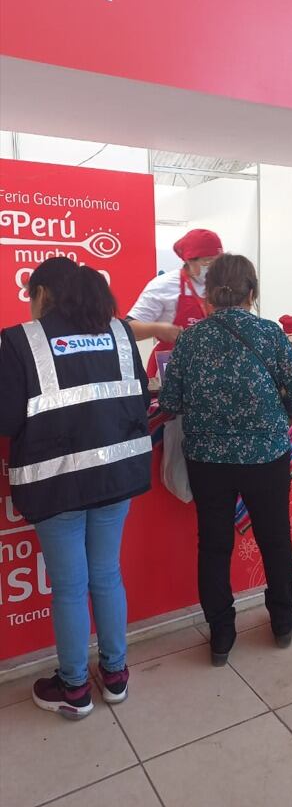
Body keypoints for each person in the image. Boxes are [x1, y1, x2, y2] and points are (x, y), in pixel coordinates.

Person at [0, 259, 152, 719]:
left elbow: (6, 420)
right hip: (116, 476)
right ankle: (115, 674)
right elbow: (139, 397)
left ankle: (73, 689)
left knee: (69, 586)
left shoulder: (18, 341)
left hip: (55, 485)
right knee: (106, 574)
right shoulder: (121, 334)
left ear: (44, 293)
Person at [159, 254, 292, 665]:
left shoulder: (190, 340)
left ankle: (221, 637)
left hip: (208, 460)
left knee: (213, 546)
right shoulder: (268, 334)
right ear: (252, 292)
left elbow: (171, 401)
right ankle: (282, 622)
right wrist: (278, 416)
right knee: (275, 539)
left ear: (208, 293)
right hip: (266, 456)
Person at [127, 228, 223, 377]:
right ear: (189, 260)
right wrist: (157, 329)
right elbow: (128, 330)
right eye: (208, 262)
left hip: (211, 368)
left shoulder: (222, 284)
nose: (213, 267)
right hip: (171, 367)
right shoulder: (164, 285)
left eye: (218, 261)